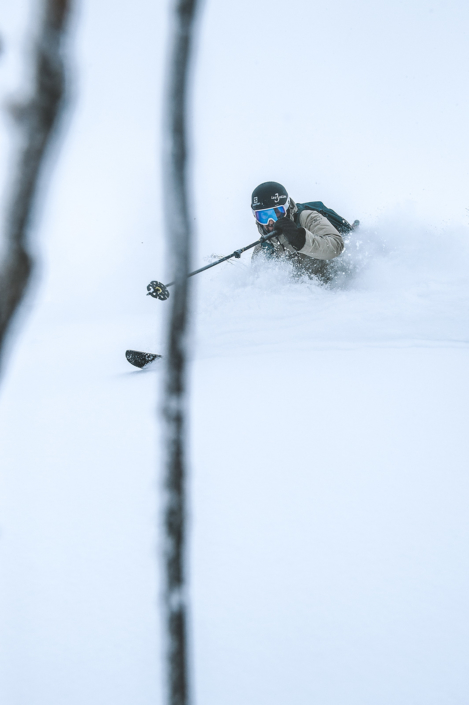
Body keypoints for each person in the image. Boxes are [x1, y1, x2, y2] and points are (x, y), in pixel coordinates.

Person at [251, 181, 349, 282]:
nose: (270, 221)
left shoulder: (308, 218)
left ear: (287, 207)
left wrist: (301, 240)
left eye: (276, 213)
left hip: (338, 287)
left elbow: (336, 247)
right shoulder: (262, 248)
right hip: (302, 296)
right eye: (263, 216)